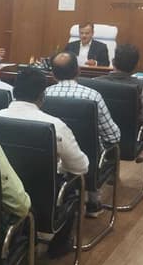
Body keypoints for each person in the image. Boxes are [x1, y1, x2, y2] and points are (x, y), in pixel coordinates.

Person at [0, 67, 88, 258]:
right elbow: (80, 167)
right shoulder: (54, 125)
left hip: (2, 195)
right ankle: (58, 246)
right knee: (72, 186)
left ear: (14, 91)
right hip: (43, 201)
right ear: (42, 96)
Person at [45, 52, 120, 217]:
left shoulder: (43, 95)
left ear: (53, 74)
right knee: (103, 145)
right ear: (78, 71)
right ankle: (93, 201)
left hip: (52, 158)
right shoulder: (92, 96)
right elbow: (113, 136)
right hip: (88, 161)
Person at [95, 44, 143, 162]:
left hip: (98, 142)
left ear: (113, 62)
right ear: (136, 65)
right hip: (129, 143)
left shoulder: (95, 82)